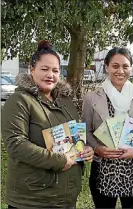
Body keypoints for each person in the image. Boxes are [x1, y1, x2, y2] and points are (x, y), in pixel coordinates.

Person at [1, 40, 94, 209]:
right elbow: (16, 144)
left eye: (55, 70)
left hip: (65, 198)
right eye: (44, 69)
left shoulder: (66, 101)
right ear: (32, 69)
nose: (50, 75)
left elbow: (74, 137)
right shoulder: (19, 101)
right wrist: (58, 160)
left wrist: (84, 149)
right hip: (33, 199)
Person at [82, 47, 133, 209]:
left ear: (131, 68)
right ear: (107, 67)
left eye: (125, 66)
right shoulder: (93, 97)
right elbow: (85, 130)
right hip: (103, 168)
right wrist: (97, 148)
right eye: (115, 66)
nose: (120, 71)